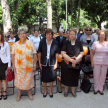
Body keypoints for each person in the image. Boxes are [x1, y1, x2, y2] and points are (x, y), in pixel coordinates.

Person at [11, 28, 37, 101]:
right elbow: (12, 56)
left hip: (29, 66)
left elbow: (35, 55)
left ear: (26, 34)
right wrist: (13, 65)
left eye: (24, 33)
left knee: (29, 80)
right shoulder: (15, 45)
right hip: (19, 67)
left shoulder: (31, 44)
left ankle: (29, 93)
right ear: (18, 35)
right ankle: (19, 94)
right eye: (21, 34)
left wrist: (34, 65)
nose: (23, 35)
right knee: (19, 80)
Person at [61, 29, 84, 98]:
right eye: (70, 34)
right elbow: (63, 53)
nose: (71, 35)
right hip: (67, 62)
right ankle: (66, 91)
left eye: (73, 34)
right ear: (68, 35)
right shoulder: (65, 42)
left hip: (76, 62)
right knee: (66, 77)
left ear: (75, 35)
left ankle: (73, 91)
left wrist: (76, 60)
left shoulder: (79, 43)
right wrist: (71, 60)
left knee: (74, 76)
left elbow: (82, 53)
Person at [38, 28, 59, 98]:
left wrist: (56, 63)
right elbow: (39, 53)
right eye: (47, 34)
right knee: (44, 77)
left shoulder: (55, 42)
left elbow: (57, 54)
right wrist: (39, 62)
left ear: (52, 35)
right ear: (45, 35)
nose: (49, 36)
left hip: (52, 62)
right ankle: (45, 90)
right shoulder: (42, 42)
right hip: (44, 62)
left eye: (50, 34)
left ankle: (50, 90)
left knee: (52, 77)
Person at [90, 30, 108, 95]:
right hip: (96, 62)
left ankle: (101, 89)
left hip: (105, 62)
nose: (102, 36)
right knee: (96, 75)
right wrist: (92, 62)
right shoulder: (95, 43)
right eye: (101, 34)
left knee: (103, 76)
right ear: (99, 35)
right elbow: (91, 53)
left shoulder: (107, 43)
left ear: (105, 36)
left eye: (103, 35)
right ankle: (96, 89)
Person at [0, 31, 11, 100]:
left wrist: (9, 65)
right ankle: (0, 92)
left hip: (4, 63)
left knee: (4, 79)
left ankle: (4, 91)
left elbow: (8, 55)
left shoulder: (6, 44)